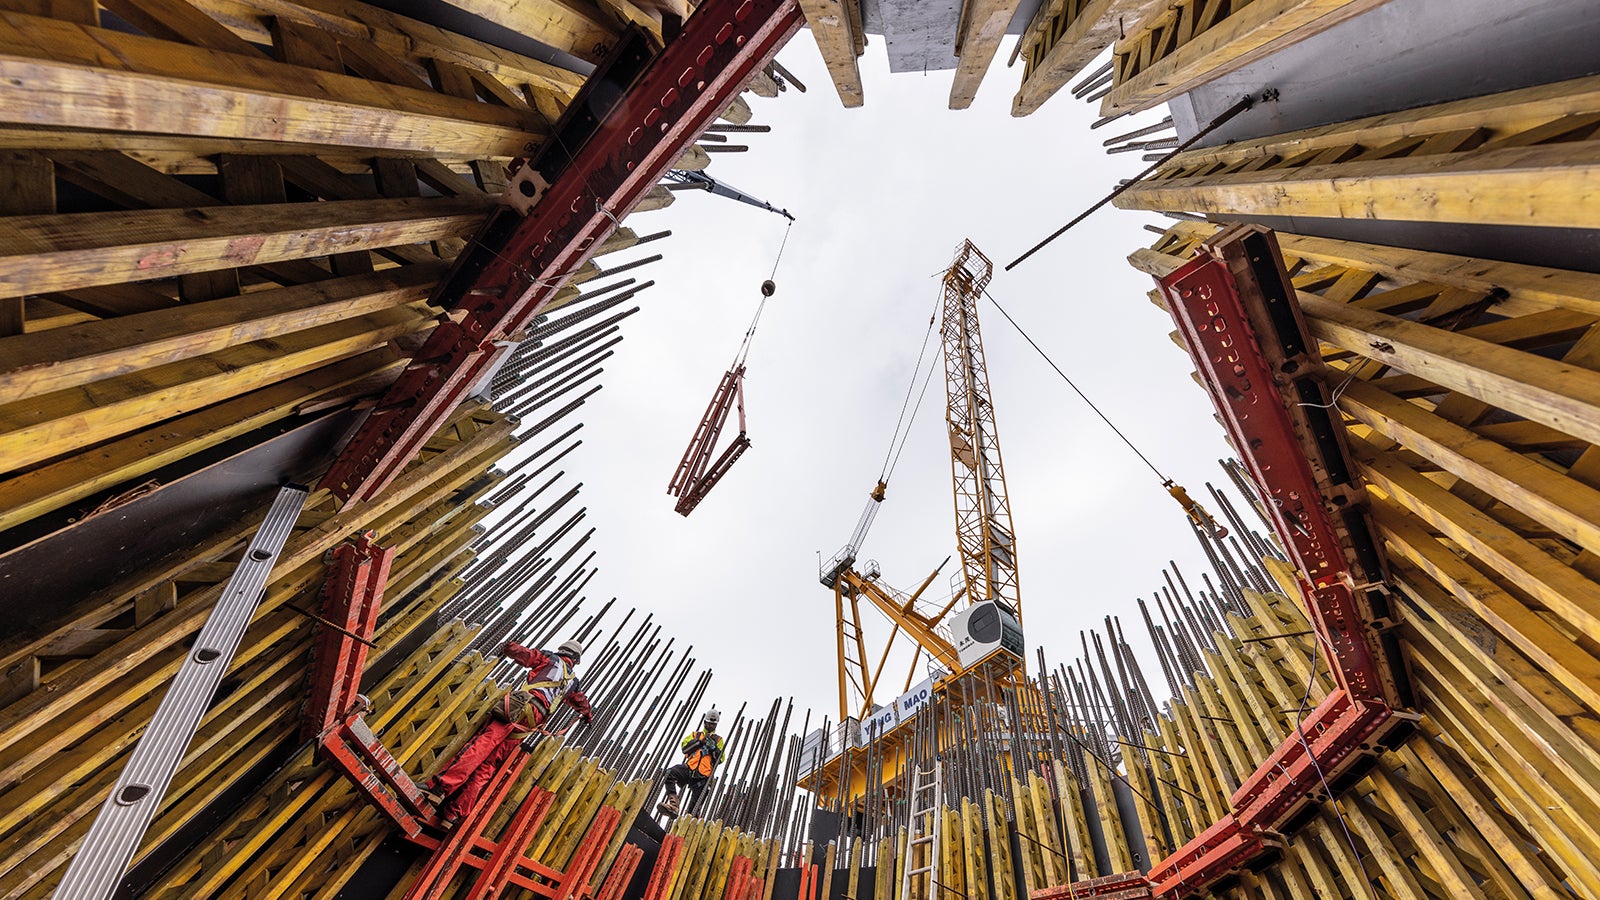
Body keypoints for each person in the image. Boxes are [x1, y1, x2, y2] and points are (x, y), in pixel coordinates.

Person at [423, 638, 593, 828]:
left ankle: (440, 788)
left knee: (481, 746)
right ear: (575, 660)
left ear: (562, 650)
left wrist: (509, 646)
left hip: (519, 706)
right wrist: (588, 715)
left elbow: (524, 655)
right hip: (532, 722)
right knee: (489, 765)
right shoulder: (573, 683)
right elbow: (581, 703)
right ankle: (453, 814)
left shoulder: (549, 658)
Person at [658, 709, 725, 816]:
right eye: (709, 723)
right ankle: (674, 805)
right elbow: (685, 749)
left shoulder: (718, 740)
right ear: (704, 722)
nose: (711, 725)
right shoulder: (695, 735)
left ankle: (689, 820)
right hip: (689, 769)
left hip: (703, 776)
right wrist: (699, 742)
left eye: (713, 724)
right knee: (669, 773)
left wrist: (713, 748)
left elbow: (720, 759)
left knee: (693, 810)